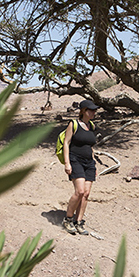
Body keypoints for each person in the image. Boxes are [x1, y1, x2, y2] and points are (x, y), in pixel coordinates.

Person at [61, 99, 99, 235]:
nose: (94, 112)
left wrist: (93, 162)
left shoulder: (92, 126)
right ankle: (68, 219)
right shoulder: (74, 124)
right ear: (84, 111)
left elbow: (91, 146)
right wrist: (67, 163)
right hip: (75, 160)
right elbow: (66, 143)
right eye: (91, 110)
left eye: (95, 110)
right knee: (80, 191)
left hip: (89, 163)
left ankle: (79, 222)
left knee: (86, 194)